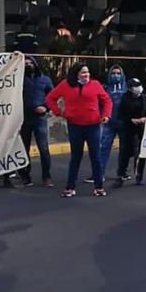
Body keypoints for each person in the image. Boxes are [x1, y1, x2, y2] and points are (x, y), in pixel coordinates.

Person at [46, 62, 112, 198]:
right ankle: (70, 187)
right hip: (75, 125)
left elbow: (107, 101)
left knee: (96, 157)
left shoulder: (95, 84)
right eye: (83, 72)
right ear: (76, 73)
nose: (86, 75)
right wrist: (59, 112)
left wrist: (106, 115)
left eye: (87, 72)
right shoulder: (66, 85)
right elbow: (50, 98)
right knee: (76, 157)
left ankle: (99, 187)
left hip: (93, 125)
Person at [18, 55, 54, 187]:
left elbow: (53, 97)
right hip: (24, 119)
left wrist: (45, 107)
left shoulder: (45, 80)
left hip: (40, 119)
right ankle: (25, 176)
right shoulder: (19, 80)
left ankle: (46, 176)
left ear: (35, 64)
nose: (28, 65)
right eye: (25, 63)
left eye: (30, 63)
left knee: (43, 149)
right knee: (23, 149)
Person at [92, 64, 126, 183]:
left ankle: (122, 173)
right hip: (108, 123)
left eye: (118, 73)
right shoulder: (105, 88)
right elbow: (98, 103)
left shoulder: (126, 88)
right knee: (103, 148)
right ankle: (99, 173)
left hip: (123, 123)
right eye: (113, 73)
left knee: (124, 150)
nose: (116, 75)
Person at [114, 78, 146, 187]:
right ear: (130, 88)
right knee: (125, 151)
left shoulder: (143, 98)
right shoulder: (125, 98)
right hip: (128, 127)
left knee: (141, 152)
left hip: (141, 127)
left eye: (139, 85)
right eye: (135, 86)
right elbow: (120, 115)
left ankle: (139, 175)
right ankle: (120, 175)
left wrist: (144, 118)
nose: (138, 87)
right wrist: (131, 119)